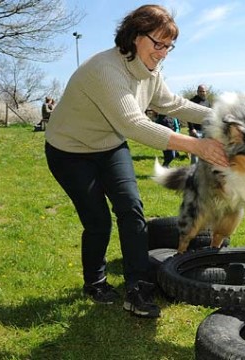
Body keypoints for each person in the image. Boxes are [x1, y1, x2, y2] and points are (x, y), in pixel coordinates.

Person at [44, 4, 228, 318]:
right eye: (158, 43)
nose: (164, 52)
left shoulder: (150, 72)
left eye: (169, 46)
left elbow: (171, 103)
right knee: (98, 221)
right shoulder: (105, 69)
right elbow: (133, 124)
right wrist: (198, 146)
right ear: (134, 36)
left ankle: (137, 288)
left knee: (131, 209)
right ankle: (96, 281)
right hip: (69, 152)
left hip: (110, 147)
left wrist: (222, 116)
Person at [188, 84, 210, 163]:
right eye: (200, 91)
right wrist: (191, 128)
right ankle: (193, 171)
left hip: (205, 130)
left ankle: (201, 170)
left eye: (203, 91)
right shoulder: (192, 101)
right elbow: (188, 116)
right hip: (195, 130)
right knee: (195, 152)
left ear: (206, 92)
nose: (202, 93)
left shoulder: (207, 102)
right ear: (197, 92)